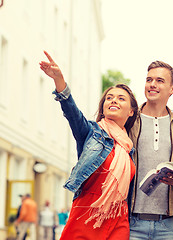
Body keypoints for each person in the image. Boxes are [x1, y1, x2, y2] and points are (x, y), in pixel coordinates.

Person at [39, 51, 138, 240]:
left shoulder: (129, 146)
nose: (113, 100)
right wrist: (60, 81)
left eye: (121, 98)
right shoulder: (91, 132)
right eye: (109, 98)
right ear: (103, 106)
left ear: (132, 111)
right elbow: (72, 113)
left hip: (118, 217)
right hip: (87, 213)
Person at [129, 61, 173, 239]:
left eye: (159, 80)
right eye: (149, 80)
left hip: (169, 224)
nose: (152, 84)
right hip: (132, 221)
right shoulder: (130, 120)